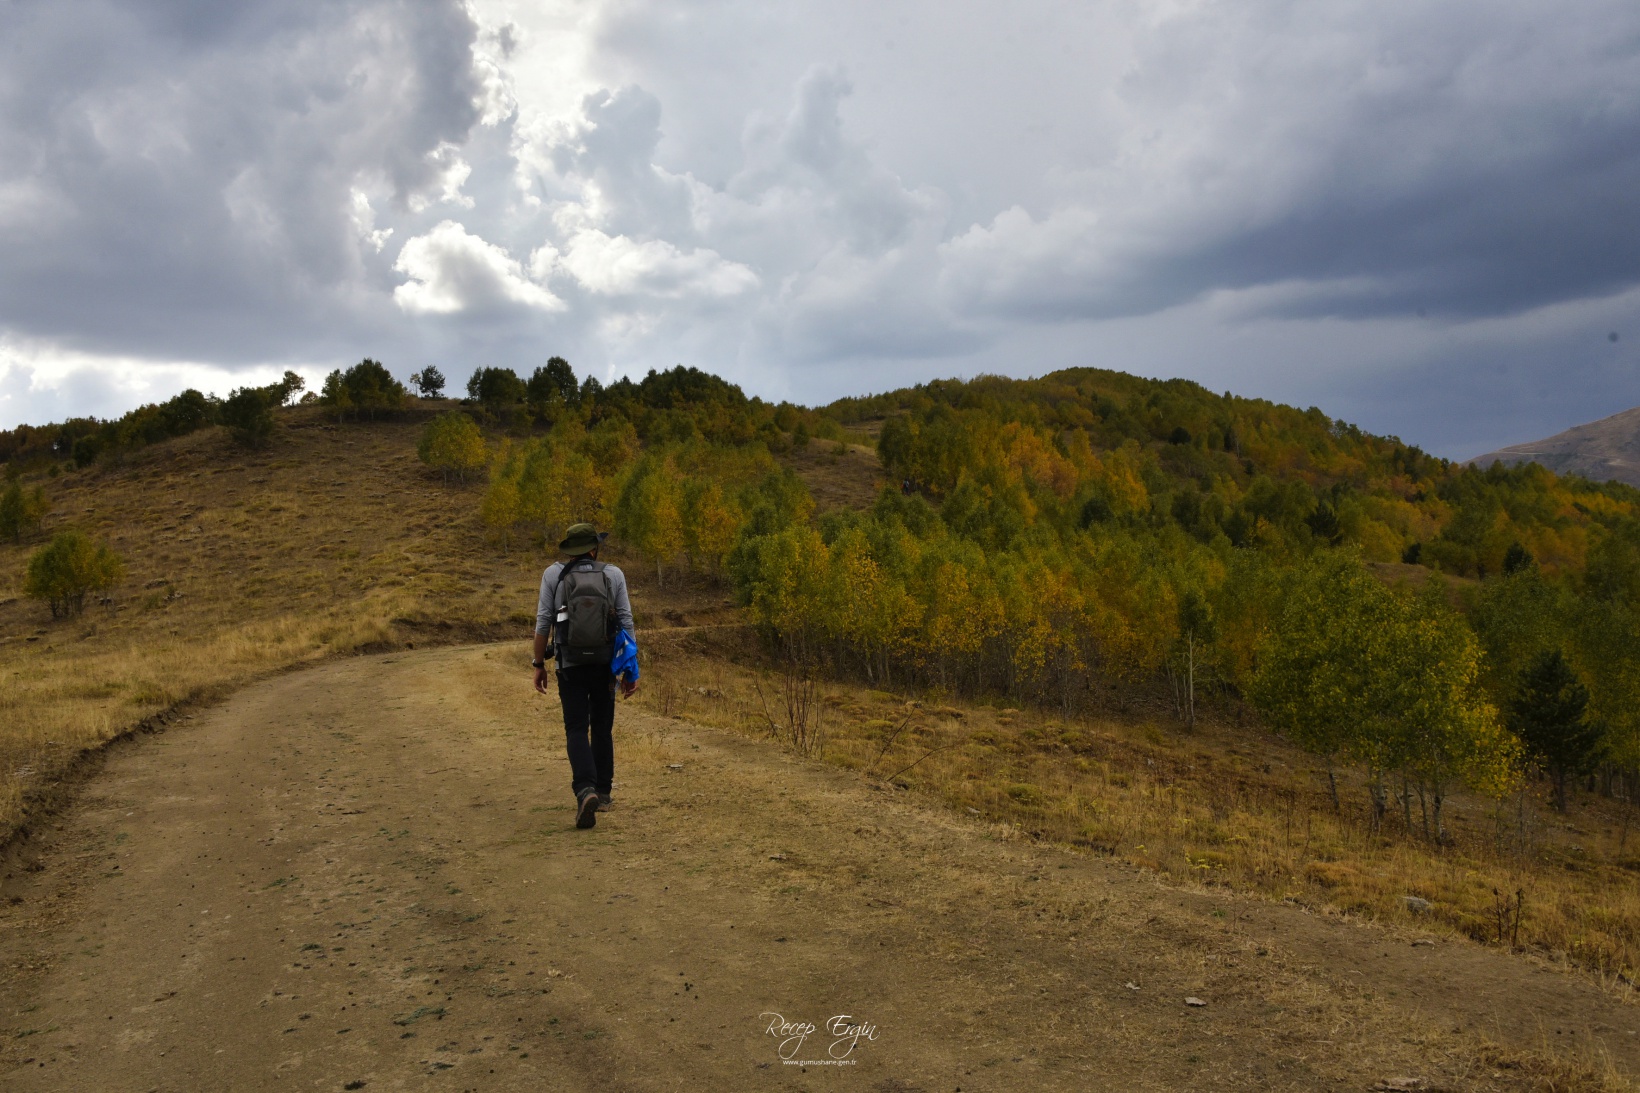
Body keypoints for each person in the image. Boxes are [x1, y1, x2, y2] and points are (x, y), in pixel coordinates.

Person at [532, 522, 638, 829]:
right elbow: (627, 624)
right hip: (606, 663)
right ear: (594, 547)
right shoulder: (613, 574)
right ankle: (603, 792)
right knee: (602, 727)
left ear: (570, 549)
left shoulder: (554, 574)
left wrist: (538, 664)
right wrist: (630, 670)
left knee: (576, 728)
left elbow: (543, 623)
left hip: (570, 664)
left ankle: (585, 789)